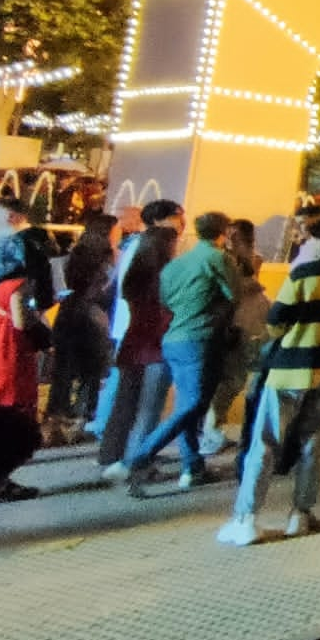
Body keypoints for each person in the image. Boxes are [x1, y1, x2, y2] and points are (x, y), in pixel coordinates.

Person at [218, 216, 320, 544]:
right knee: (313, 443)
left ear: (319, 243)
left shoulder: (304, 275)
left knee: (265, 442)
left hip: (290, 368)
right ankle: (301, 514)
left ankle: (246, 519)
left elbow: (277, 321)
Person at [110, 210, 239, 493]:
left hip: (174, 338)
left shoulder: (176, 265)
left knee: (188, 404)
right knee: (192, 405)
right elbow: (234, 295)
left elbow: (165, 300)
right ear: (224, 232)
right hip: (201, 337)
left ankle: (192, 467)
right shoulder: (216, 259)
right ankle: (139, 457)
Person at [99, 223, 179, 475]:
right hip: (156, 346)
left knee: (124, 405)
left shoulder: (134, 275)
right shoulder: (166, 277)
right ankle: (138, 461)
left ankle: (111, 455)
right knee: (149, 409)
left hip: (133, 342)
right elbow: (167, 313)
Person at [47, 212, 116, 443]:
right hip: (92, 318)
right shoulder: (106, 261)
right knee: (92, 372)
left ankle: (57, 417)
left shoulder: (73, 256)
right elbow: (104, 294)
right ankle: (81, 417)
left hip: (67, 315)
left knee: (63, 371)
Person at [200, 219, 266, 459]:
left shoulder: (247, 258)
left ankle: (212, 426)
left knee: (232, 378)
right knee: (229, 378)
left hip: (239, 320)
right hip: (234, 321)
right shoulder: (226, 258)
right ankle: (211, 428)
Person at [0, 246, 49, 502]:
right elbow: (20, 322)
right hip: (12, 355)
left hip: (0, 352)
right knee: (15, 421)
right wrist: (36, 319)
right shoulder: (17, 285)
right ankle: (0, 482)